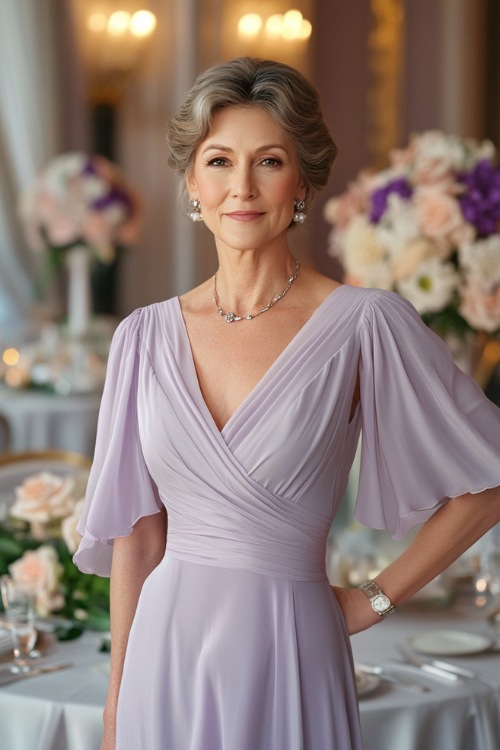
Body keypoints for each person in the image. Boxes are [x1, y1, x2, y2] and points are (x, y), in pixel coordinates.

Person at [74, 56, 500, 750]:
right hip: (164, 655)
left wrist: (375, 599)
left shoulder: (366, 322)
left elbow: (488, 480)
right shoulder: (141, 339)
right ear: (191, 181)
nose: (241, 187)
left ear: (301, 178)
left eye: (268, 161)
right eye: (218, 161)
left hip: (292, 647)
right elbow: (139, 536)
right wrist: (119, 698)